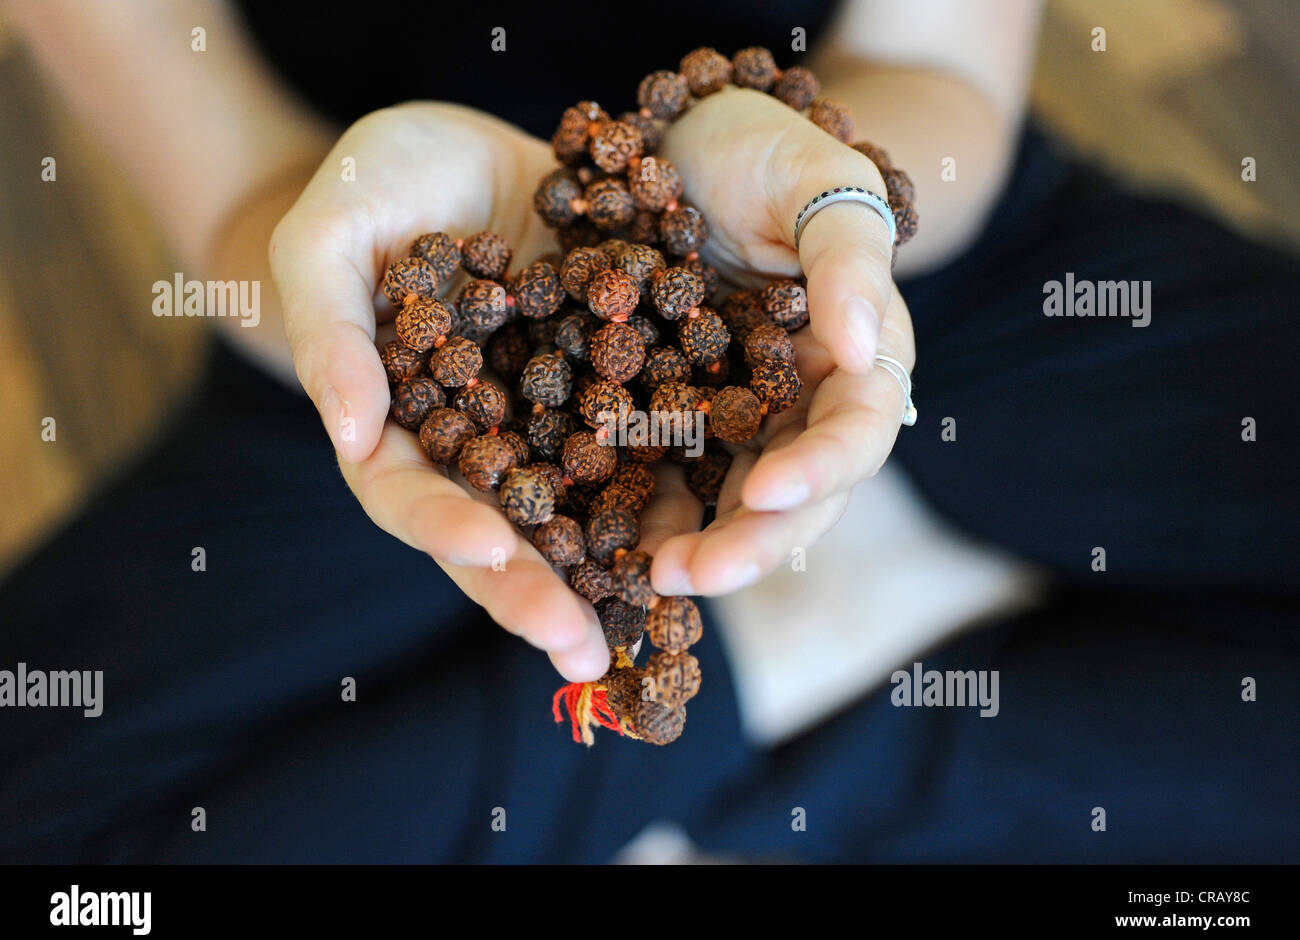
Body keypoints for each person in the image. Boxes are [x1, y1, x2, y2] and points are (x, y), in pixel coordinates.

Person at [0, 0, 1295, 863]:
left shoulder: (818, 230)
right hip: (398, 325)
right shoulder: (402, 314)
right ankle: (796, 642)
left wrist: (819, 192)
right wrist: (350, 290)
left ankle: (696, 762)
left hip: (859, 244)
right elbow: (239, 194)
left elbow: (939, 67)